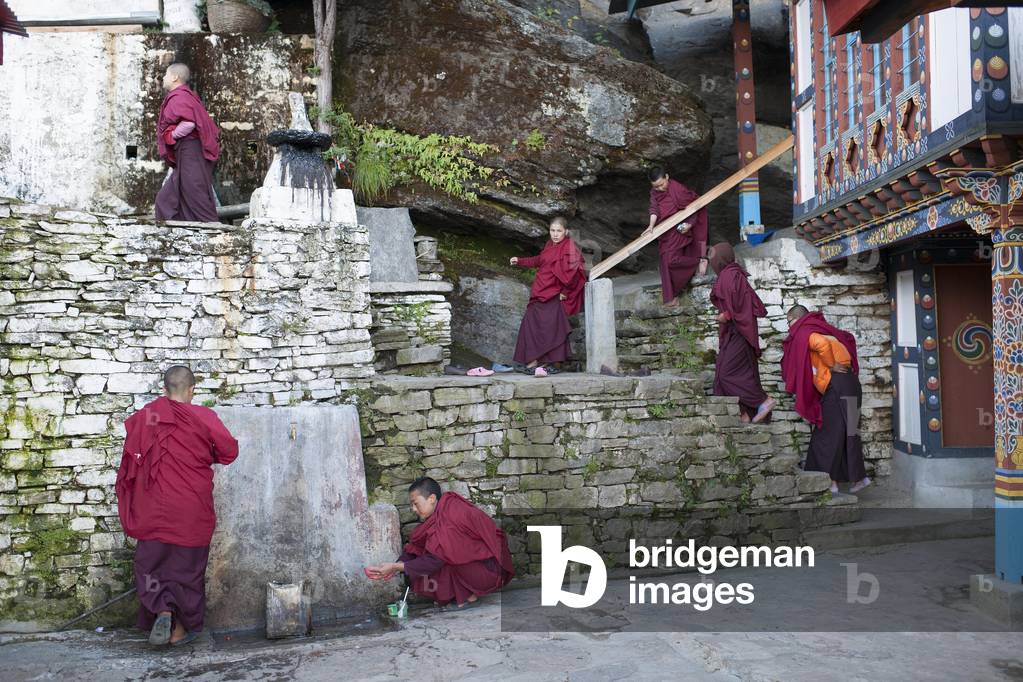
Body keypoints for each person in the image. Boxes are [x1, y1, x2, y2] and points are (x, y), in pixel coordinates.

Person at [115, 365, 239, 647]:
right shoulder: (204, 416)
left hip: (153, 508)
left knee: (151, 565)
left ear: (164, 390)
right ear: (192, 391)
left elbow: (131, 459)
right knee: (188, 570)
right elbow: (229, 451)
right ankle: (181, 629)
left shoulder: (150, 415)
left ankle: (162, 609)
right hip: (191, 507)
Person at [364, 477, 514, 608]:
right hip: (476, 566)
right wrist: (396, 565)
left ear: (431, 498)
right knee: (430, 556)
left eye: (416, 503)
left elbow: (436, 560)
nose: (413, 509)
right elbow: (415, 548)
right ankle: (463, 595)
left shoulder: (452, 514)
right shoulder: (438, 516)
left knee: (444, 556)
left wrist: (397, 567)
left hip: (490, 570)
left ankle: (467, 597)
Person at [781, 305, 870, 494]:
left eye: (788, 322)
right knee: (850, 431)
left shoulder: (806, 330)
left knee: (827, 433)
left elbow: (820, 344)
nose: (789, 327)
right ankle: (859, 478)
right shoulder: (826, 330)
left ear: (796, 318)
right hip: (851, 382)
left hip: (837, 383)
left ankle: (828, 481)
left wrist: (831, 364)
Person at [509, 216, 586, 376]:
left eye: (559, 231)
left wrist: (565, 292)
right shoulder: (549, 245)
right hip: (540, 291)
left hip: (554, 295)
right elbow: (540, 260)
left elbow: (576, 272)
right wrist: (520, 261)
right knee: (530, 324)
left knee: (553, 329)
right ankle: (533, 360)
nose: (555, 234)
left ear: (565, 231)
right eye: (552, 230)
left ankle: (551, 363)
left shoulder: (569, 247)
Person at [708, 243, 775, 423]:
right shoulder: (729, 275)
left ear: (721, 260)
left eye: (713, 259)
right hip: (733, 333)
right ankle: (743, 414)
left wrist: (726, 316)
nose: (712, 263)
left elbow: (741, 305)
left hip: (739, 333)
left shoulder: (731, 276)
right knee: (722, 375)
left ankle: (763, 400)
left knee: (727, 374)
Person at [155, 63, 221, 222]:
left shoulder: (180, 96)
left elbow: (189, 122)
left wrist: (171, 135)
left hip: (190, 151)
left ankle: (214, 230)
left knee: (195, 192)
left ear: (174, 77)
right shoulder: (184, 96)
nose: (163, 78)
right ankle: (178, 236)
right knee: (166, 199)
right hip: (186, 153)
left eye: (165, 74)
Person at [644, 166, 709, 307]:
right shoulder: (654, 192)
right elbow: (654, 208)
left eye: (662, 184)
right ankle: (671, 299)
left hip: (679, 230)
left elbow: (694, 206)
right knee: (665, 262)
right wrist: (651, 226)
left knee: (671, 260)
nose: (660, 188)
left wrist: (689, 224)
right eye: (656, 186)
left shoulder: (677, 188)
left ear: (667, 177)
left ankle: (697, 262)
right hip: (665, 231)